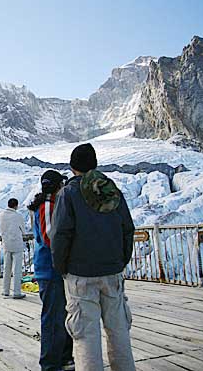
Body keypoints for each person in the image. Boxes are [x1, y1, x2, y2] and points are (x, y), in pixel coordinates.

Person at [51, 143, 136, 371]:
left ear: (72, 167)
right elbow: (128, 228)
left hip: (80, 275)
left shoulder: (68, 193)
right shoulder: (112, 190)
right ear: (95, 164)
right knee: (119, 332)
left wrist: (62, 268)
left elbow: (60, 234)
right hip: (112, 272)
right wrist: (120, 261)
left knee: (85, 336)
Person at [28, 170, 75, 371]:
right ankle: (50, 364)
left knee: (61, 317)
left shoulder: (53, 204)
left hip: (56, 270)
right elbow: (50, 238)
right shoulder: (47, 205)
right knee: (53, 319)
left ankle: (64, 358)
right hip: (50, 270)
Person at [0, 198, 26, 299]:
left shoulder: (1, 215)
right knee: (17, 269)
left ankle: (5, 290)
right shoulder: (18, 216)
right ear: (16, 205)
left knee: (7, 268)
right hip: (17, 245)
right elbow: (23, 230)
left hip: (6, 244)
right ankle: (16, 292)